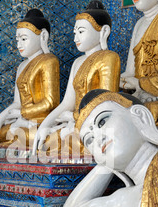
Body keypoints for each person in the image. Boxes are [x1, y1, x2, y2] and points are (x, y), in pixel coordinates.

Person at [32, 1, 120, 158]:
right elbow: (67, 103)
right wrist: (44, 125)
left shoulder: (109, 58)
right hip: (75, 122)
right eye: (74, 33)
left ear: (103, 31)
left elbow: (106, 104)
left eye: (81, 31)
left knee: (74, 140)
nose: (76, 38)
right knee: (45, 141)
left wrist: (73, 118)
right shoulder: (77, 62)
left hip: (97, 124)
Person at [0, 9, 60, 150]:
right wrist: (0, 118)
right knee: (3, 132)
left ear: (43, 36)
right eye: (17, 40)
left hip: (42, 120)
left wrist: (22, 113)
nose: (18, 45)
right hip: (23, 120)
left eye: (23, 39)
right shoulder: (21, 66)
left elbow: (50, 102)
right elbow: (18, 102)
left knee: (29, 135)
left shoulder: (49, 61)